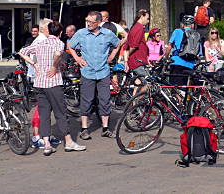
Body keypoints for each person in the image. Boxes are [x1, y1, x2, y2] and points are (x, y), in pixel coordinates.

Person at [18, 19, 86, 156]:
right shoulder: (59, 43)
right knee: (61, 113)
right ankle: (68, 141)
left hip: (39, 83)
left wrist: (34, 64)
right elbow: (57, 55)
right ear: (60, 32)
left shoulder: (40, 43)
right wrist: (55, 66)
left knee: (44, 114)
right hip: (53, 83)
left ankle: (47, 144)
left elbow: (22, 52)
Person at [67, 11, 125, 140]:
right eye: (87, 21)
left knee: (105, 100)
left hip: (103, 72)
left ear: (99, 22)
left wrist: (111, 57)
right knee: (86, 100)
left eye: (91, 22)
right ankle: (84, 129)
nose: (88, 24)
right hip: (87, 72)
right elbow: (70, 45)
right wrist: (77, 58)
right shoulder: (81, 33)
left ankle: (105, 128)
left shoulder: (107, 34)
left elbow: (118, 44)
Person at [165, 15, 200, 86]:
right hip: (190, 64)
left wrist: (166, 57)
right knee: (186, 87)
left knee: (175, 87)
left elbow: (169, 46)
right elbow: (198, 51)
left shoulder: (177, 31)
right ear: (192, 25)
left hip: (177, 62)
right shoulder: (196, 35)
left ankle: (179, 97)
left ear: (183, 24)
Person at [126, 9, 151, 93]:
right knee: (148, 83)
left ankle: (134, 104)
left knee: (138, 83)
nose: (148, 21)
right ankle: (138, 100)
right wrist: (127, 55)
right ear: (142, 16)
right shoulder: (139, 28)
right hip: (137, 61)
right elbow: (134, 45)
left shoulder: (135, 27)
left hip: (138, 60)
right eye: (147, 18)